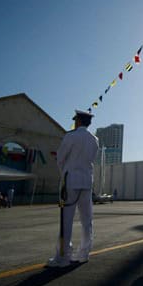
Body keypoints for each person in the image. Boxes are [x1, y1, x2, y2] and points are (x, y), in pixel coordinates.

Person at [47, 109, 99, 268]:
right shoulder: (94, 139)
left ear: (77, 121)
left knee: (66, 220)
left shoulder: (71, 136)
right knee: (86, 220)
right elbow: (92, 159)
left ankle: (63, 258)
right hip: (86, 183)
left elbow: (60, 158)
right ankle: (83, 254)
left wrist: (65, 174)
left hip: (70, 182)